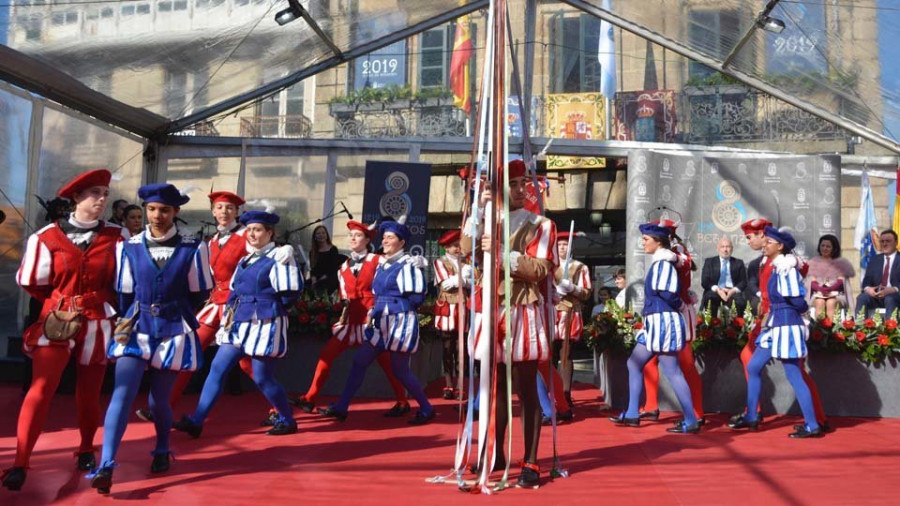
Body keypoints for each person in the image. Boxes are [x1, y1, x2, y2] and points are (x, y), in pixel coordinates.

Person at [3, 170, 128, 492]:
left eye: (105, 193)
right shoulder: (45, 237)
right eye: (95, 193)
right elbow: (32, 282)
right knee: (40, 388)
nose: (102, 199)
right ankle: (20, 462)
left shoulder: (118, 236)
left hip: (99, 320)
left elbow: (126, 281)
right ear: (76, 197)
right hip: (57, 321)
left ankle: (86, 448)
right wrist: (61, 302)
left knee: (89, 392)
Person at [88, 183, 212, 494]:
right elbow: (124, 292)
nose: (157, 215)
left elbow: (200, 293)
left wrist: (174, 312)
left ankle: (162, 447)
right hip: (136, 328)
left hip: (173, 331)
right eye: (152, 209)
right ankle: (106, 464)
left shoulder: (193, 248)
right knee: (122, 393)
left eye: (165, 210)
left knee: (159, 400)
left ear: (176, 213)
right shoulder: (127, 247)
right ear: (145, 210)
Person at [461, 159, 561, 489]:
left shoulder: (541, 224)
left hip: (523, 309)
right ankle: (496, 453)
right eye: (513, 184)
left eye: (524, 184)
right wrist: (478, 209)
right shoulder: (489, 220)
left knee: (526, 388)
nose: (521, 190)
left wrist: (503, 253)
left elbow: (538, 269)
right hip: (490, 309)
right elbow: (465, 250)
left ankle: (530, 459)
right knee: (494, 388)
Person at [174, 210, 302, 438]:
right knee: (217, 367)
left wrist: (269, 309)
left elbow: (290, 292)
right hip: (239, 322)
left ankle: (287, 418)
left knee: (262, 376)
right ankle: (197, 420)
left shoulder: (280, 257)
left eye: (258, 230)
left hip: (265, 322)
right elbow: (234, 290)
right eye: (250, 230)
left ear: (269, 233)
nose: (252, 234)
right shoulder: (245, 260)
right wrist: (228, 320)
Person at [318, 218, 434, 425]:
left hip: (399, 322)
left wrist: (396, 309)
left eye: (390, 237)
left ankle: (426, 407)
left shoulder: (408, 264)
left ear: (402, 242)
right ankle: (342, 406)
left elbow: (417, 297)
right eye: (385, 237)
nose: (386, 240)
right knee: (359, 361)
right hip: (380, 321)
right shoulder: (383, 263)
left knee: (400, 370)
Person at [290, 220, 410, 416]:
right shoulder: (343, 266)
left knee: (387, 363)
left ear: (367, 240)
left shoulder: (377, 260)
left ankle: (403, 401)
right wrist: (343, 316)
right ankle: (310, 397)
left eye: (358, 235)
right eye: (351, 235)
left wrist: (413, 262)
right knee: (326, 355)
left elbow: (394, 274)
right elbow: (344, 294)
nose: (353, 238)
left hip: (371, 319)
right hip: (351, 319)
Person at [729, 227, 824, 438]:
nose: (765, 244)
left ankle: (812, 425)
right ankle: (752, 415)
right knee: (753, 366)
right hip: (776, 325)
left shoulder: (785, 267)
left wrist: (797, 313)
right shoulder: (776, 265)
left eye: (769, 242)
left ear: (780, 246)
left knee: (795, 376)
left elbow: (798, 300)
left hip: (786, 325)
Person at [609, 221, 699, 434]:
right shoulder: (662, 262)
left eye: (646, 239)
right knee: (634, 363)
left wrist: (681, 306)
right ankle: (632, 413)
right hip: (657, 320)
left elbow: (667, 293)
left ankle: (691, 419)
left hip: (662, 320)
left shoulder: (662, 264)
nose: (643, 243)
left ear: (659, 242)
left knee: (672, 370)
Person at [637, 220, 705, 427]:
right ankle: (650, 406)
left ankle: (696, 412)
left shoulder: (674, 253)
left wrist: (674, 256)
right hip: (666, 313)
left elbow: (686, 265)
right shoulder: (666, 254)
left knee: (685, 364)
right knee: (649, 362)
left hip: (677, 313)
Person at [552, 231, 592, 405]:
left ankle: (565, 393)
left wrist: (573, 289)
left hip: (570, 312)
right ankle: (551, 393)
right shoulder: (549, 266)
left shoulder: (580, 267)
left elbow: (587, 293)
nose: (562, 248)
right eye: (559, 244)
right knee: (550, 355)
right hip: (552, 312)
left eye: (565, 244)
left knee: (566, 354)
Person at [433, 229, 470, 400]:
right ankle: (448, 383)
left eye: (459, 245)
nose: (458, 249)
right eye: (454, 246)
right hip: (448, 307)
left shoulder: (467, 262)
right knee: (447, 347)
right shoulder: (440, 262)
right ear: (446, 248)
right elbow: (446, 284)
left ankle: (460, 384)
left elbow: (475, 282)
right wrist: (462, 277)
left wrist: (463, 278)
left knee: (461, 347)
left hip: (463, 306)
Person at [807, 234, 855, 321]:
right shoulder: (813, 262)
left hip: (837, 294)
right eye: (823, 245)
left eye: (828, 246)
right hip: (818, 294)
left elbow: (840, 282)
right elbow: (812, 282)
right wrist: (822, 290)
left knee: (831, 302)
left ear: (834, 248)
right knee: (819, 302)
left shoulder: (841, 264)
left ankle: (831, 332)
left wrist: (829, 290)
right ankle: (820, 331)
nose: (825, 248)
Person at [856, 230, 900, 318]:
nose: (884, 244)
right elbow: (866, 281)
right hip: (876, 296)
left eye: (888, 241)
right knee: (862, 298)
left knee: (890, 299)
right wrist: (868, 289)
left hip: (896, 296)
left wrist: (893, 289)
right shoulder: (874, 260)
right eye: (882, 241)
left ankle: (890, 330)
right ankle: (859, 329)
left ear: (896, 242)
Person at [699, 236, 748, 317]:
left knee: (740, 303)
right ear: (718, 249)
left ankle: (737, 327)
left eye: (728, 247)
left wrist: (732, 291)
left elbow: (743, 282)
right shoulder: (709, 262)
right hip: (715, 290)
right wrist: (718, 290)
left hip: (732, 291)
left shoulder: (739, 263)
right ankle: (710, 327)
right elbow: (705, 281)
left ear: (732, 249)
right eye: (722, 247)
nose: (725, 250)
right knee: (710, 299)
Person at [308, 225, 347, 294]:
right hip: (317, 277)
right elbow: (313, 269)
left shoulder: (333, 249)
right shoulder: (312, 252)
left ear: (326, 235)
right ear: (315, 237)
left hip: (329, 277)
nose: (321, 235)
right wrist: (313, 279)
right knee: (306, 286)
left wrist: (320, 280)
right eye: (318, 233)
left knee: (321, 287)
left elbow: (333, 269)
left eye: (323, 233)